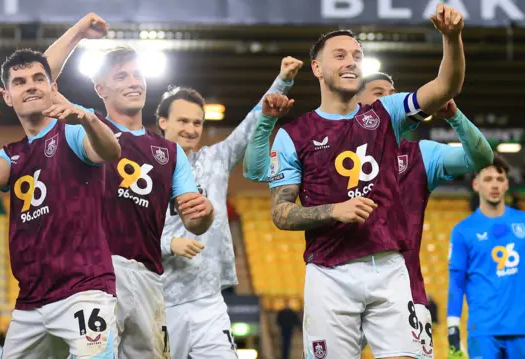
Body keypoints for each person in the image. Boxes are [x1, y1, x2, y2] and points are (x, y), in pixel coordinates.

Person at [244, 70, 493, 358]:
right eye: (380, 93)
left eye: (394, 92)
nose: (391, 99)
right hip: (335, 276)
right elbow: (256, 171)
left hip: (402, 286)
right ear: (358, 102)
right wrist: (266, 122)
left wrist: (454, 117)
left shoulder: (422, 154)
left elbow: (481, 159)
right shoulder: (325, 147)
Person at [264, 4, 465, 358]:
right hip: (329, 274)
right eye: (339, 55)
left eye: (357, 55)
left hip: (389, 268)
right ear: (317, 68)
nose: (351, 62)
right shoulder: (294, 134)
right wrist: (333, 210)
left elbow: (446, 86)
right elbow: (280, 213)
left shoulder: (386, 113)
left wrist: (451, 38)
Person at [44, 14, 216, 358]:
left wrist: (205, 214)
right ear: (100, 89)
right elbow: (41, 83)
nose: (134, 81)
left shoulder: (169, 152)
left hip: (149, 277)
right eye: (121, 76)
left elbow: (194, 218)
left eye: (138, 74)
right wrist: (78, 32)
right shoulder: (85, 125)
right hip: (94, 274)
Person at [0, 49, 121, 358]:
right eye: (20, 82)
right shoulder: (12, 154)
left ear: (53, 88)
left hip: (84, 290)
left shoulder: (74, 129)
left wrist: (88, 119)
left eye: (39, 78)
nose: (31, 86)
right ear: (8, 97)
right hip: (31, 301)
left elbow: (108, 151)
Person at [156, 57, 301, 359]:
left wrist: (283, 80)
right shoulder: (142, 170)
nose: (191, 129)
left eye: (197, 123)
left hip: (209, 300)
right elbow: (126, 237)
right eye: (182, 121)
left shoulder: (215, 160)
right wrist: (169, 244)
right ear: (163, 122)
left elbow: (250, 124)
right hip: (159, 300)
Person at [447, 155, 525, 358]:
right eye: (488, 179)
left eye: (499, 179)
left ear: (507, 184)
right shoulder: (462, 231)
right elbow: (456, 283)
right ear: (476, 184)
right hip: (483, 331)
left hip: (522, 329)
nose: (494, 185)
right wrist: (452, 330)